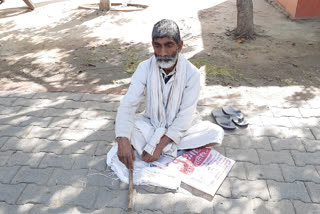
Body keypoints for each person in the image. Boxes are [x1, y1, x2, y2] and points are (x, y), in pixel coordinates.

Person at [115, 19, 224, 169]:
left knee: (214, 133)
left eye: (169, 45)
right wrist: (123, 141)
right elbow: (128, 103)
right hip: (152, 123)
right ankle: (174, 151)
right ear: (152, 45)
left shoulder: (192, 73)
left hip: (180, 129)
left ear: (179, 46)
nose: (162, 52)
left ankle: (161, 149)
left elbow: (186, 115)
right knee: (125, 131)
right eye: (157, 46)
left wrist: (158, 146)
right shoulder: (144, 68)